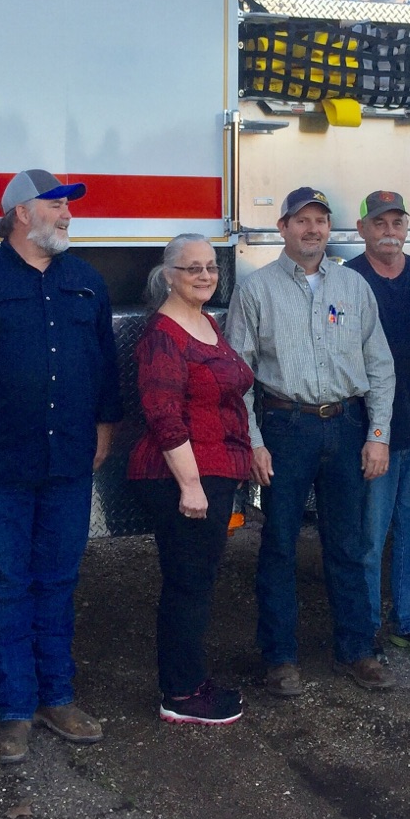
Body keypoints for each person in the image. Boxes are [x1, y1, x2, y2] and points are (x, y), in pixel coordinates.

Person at [0, 169, 122, 765]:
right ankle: (13, 709)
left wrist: (104, 426)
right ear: (21, 214)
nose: (67, 214)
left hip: (68, 461)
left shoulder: (85, 280)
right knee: (5, 584)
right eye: (56, 205)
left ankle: (57, 697)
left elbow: (105, 364)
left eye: (68, 206)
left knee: (58, 581)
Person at [226, 186, 396, 696]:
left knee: (348, 544)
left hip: (346, 426)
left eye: (320, 220)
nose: (312, 229)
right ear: (283, 228)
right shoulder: (256, 291)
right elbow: (237, 378)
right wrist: (254, 442)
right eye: (301, 220)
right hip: (286, 429)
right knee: (279, 544)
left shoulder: (353, 287)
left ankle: (356, 651)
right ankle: (280, 658)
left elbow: (380, 366)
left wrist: (378, 436)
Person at [128, 234, 254, 725]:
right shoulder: (164, 334)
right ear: (168, 276)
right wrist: (191, 485)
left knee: (198, 582)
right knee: (188, 585)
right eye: (192, 268)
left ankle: (190, 681)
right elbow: (163, 414)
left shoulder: (204, 322)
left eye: (211, 267)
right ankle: (180, 694)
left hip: (214, 472)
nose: (205, 276)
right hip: (181, 477)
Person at [344, 191, 410, 662]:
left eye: (397, 222)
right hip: (367, 434)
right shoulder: (347, 280)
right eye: (379, 223)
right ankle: (364, 630)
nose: (389, 231)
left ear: (407, 228)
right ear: (362, 229)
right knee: (368, 538)